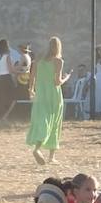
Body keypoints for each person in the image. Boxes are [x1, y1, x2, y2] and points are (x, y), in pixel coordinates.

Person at [24, 36, 71, 165]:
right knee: (54, 123)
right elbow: (57, 82)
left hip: (40, 95)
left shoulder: (37, 61)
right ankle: (49, 155)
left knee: (42, 121)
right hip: (53, 96)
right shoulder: (58, 61)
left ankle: (39, 149)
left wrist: (31, 91)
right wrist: (66, 78)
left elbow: (31, 79)